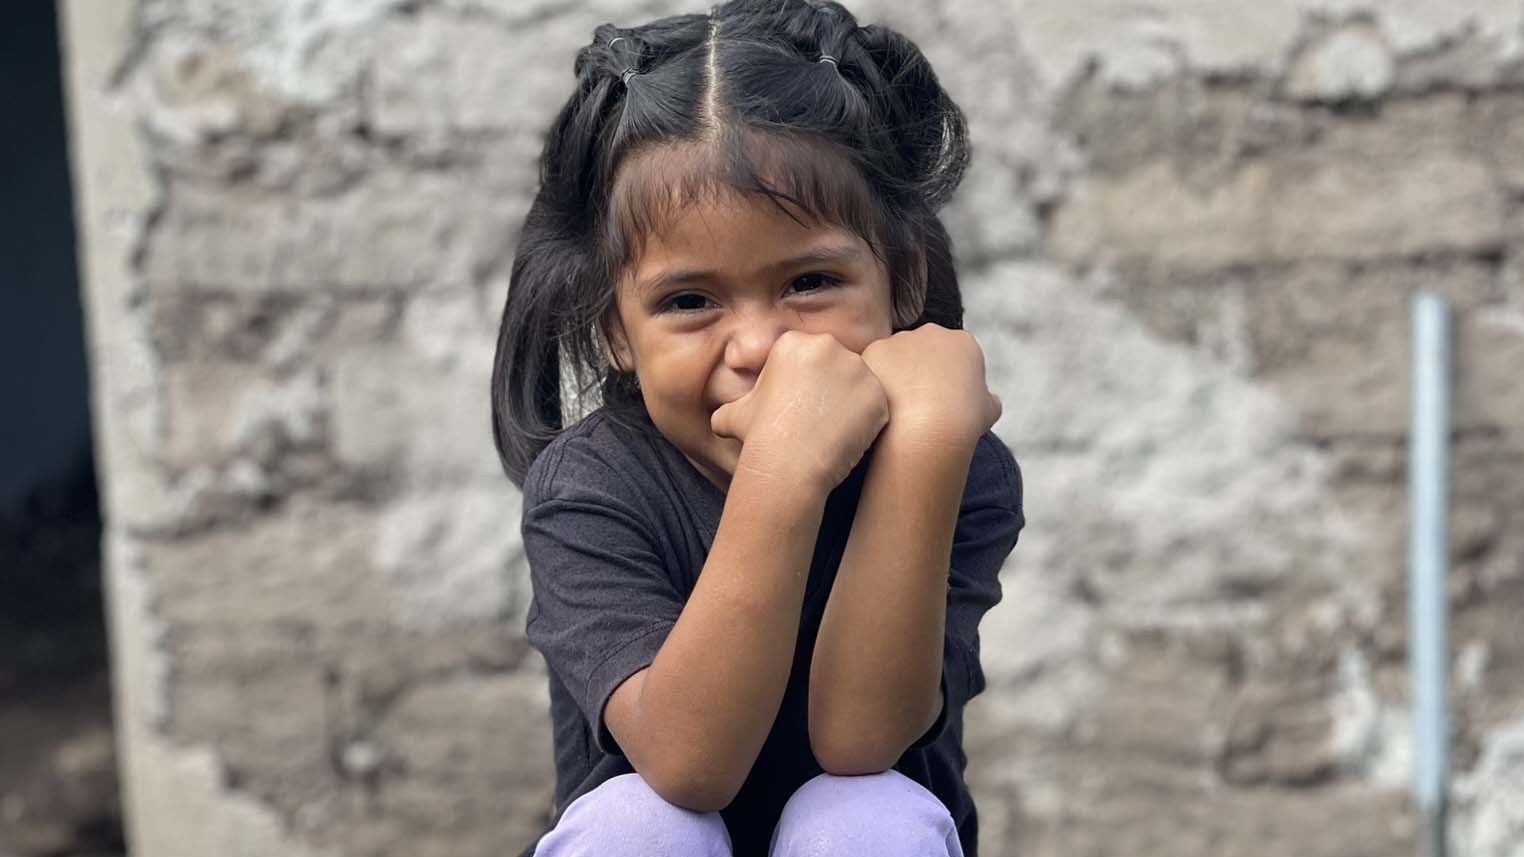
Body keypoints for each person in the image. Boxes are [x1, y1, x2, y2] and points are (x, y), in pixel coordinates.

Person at [490, 1, 1025, 854]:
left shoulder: (953, 457)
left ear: (904, 283)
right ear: (614, 333)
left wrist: (922, 450)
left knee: (867, 813)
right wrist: (786, 471)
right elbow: (688, 763)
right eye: (689, 301)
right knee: (640, 821)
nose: (762, 346)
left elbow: (858, 742)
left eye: (810, 281)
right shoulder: (592, 487)